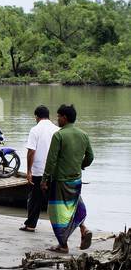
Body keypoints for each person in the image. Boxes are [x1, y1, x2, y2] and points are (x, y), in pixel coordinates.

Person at [41, 103, 94, 252]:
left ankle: (63, 244)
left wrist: (45, 179)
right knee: (75, 205)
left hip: (60, 181)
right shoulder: (83, 135)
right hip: (76, 180)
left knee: (56, 213)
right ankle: (83, 228)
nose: (57, 119)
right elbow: (90, 157)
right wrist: (80, 165)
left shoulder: (59, 135)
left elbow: (51, 160)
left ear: (64, 117)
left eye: (58, 116)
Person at [20, 104, 58, 232]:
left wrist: (29, 171)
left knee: (35, 198)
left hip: (38, 171)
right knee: (55, 200)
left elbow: (31, 151)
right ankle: (59, 227)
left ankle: (31, 225)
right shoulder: (57, 130)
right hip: (53, 171)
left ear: (36, 116)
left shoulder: (35, 130)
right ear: (48, 116)